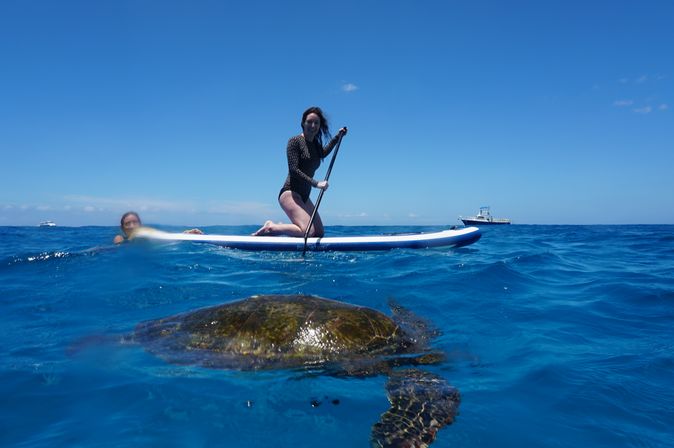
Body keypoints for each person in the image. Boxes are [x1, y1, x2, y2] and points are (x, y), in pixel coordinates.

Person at [253, 107, 347, 237]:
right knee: (309, 232)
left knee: (319, 233)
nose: (312, 125)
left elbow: (323, 153)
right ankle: (271, 227)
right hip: (290, 193)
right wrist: (316, 183)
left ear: (319, 126)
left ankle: (284, 227)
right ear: (303, 123)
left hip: (304, 195)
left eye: (316, 123)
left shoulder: (315, 145)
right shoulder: (294, 141)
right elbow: (293, 170)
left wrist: (338, 137)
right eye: (309, 122)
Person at [113, 211, 203, 244]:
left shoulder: (147, 239)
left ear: (140, 225)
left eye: (135, 222)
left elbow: (165, 238)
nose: (132, 226)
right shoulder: (120, 238)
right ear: (122, 228)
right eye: (128, 223)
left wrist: (185, 234)